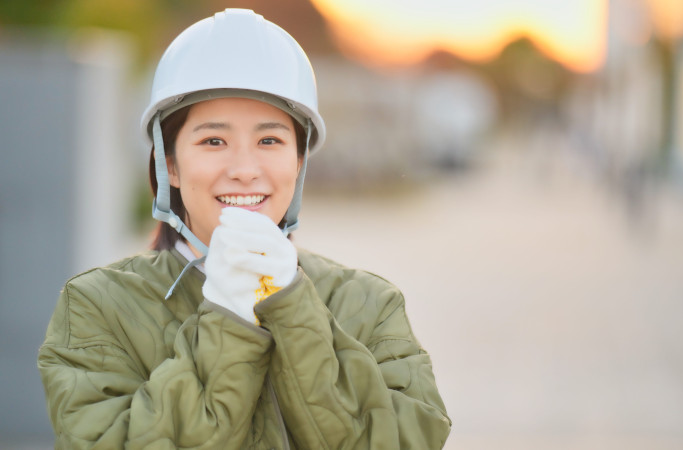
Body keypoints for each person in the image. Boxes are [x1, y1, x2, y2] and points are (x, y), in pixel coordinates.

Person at [38, 8, 451, 449]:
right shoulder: (96, 308)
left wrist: (292, 307)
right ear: (170, 163)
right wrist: (231, 318)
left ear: (298, 161)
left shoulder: (369, 304)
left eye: (269, 140)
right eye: (213, 140)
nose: (244, 170)